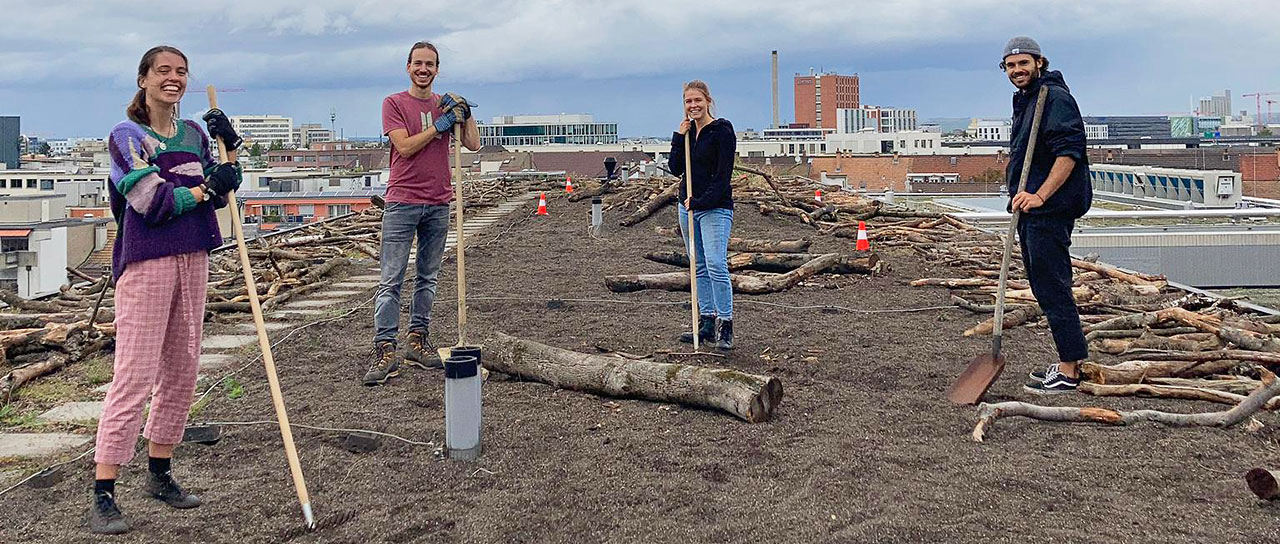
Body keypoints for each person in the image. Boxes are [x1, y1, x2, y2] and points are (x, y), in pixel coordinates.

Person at [91, 45, 243, 535]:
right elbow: (150, 201)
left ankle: (160, 473)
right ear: (143, 79)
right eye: (163, 71)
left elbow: (219, 191)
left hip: (193, 255)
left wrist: (229, 153)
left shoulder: (196, 134)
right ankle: (104, 491)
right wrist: (203, 189)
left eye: (180, 72)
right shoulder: (127, 136)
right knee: (134, 373)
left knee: (183, 366)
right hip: (147, 260)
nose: (173, 79)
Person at [364, 41, 480, 386]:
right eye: (418, 63)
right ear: (408, 67)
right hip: (402, 201)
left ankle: (417, 340)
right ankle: (385, 347)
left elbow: (473, 144)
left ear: (437, 69)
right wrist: (440, 126)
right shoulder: (394, 103)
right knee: (391, 280)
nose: (423, 69)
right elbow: (405, 146)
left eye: (430, 64)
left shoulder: (443, 104)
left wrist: (465, 113)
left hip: (438, 201)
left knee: (428, 277)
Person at [999, 36, 1093, 394]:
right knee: (1043, 285)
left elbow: (1068, 153)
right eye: (1010, 65)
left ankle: (1070, 370)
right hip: (1032, 210)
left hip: (1049, 210)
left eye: (1023, 63)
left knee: (1053, 286)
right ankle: (1069, 358)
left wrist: (1040, 195)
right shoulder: (1028, 99)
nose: (1017, 70)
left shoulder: (1055, 98)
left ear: (1040, 62)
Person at [668, 80, 737, 350]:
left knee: (716, 264)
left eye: (697, 100)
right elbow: (676, 168)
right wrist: (677, 135)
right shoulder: (687, 134)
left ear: (708, 100)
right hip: (688, 208)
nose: (693, 106)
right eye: (688, 102)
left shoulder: (722, 131)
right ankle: (706, 321)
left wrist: (700, 201)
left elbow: (722, 177)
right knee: (697, 266)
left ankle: (725, 323)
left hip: (715, 208)